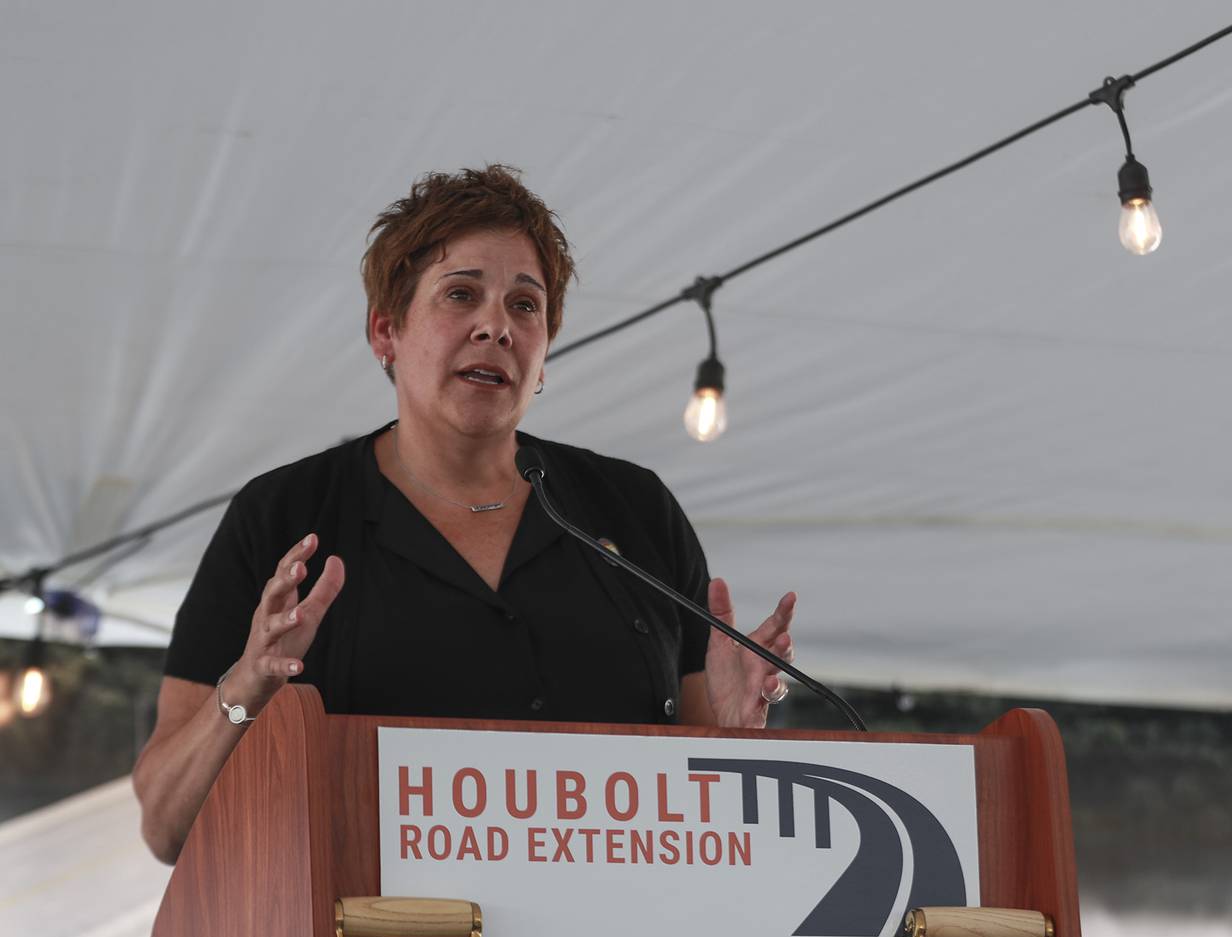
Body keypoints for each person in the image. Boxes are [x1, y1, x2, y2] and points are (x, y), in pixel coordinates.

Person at [132, 166, 796, 865]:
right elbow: (166, 828)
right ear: (386, 330)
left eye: (525, 305)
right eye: (461, 295)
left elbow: (699, 824)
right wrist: (246, 687)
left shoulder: (634, 512)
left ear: (543, 354)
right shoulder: (283, 517)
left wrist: (729, 735)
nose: (496, 327)